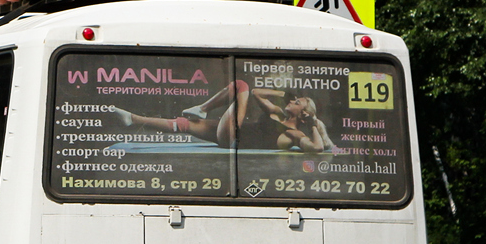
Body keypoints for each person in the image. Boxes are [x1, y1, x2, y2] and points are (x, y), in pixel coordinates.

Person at [111, 80, 334, 153]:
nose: (292, 102)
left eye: (297, 102)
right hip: (228, 134)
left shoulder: (292, 133)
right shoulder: (275, 113)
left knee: (241, 85)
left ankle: (204, 108)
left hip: (234, 138)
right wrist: (283, 93)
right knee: (187, 124)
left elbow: (317, 148)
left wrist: (314, 124)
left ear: (303, 114)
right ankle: (134, 119)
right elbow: (257, 94)